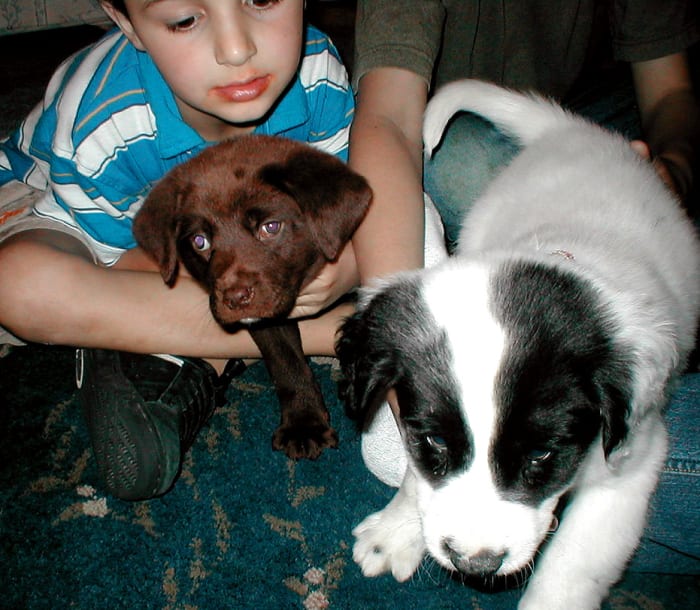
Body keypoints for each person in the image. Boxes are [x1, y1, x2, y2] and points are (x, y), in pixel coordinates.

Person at [346, 0, 700, 574]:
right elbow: (386, 115)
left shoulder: (618, 354)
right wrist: (405, 331)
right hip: (521, 179)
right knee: (457, 161)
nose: (476, 557)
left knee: (624, 462)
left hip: (611, 134)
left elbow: (671, 93)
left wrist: (676, 167)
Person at [0, 0, 358, 501]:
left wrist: (347, 268)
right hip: (65, 207)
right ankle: (334, 335)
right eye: (185, 20)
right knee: (18, 286)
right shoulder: (101, 122)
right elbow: (117, 258)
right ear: (127, 23)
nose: (237, 50)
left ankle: (165, 351)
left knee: (262, 270)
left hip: (207, 246)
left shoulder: (318, 74)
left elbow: (342, 205)